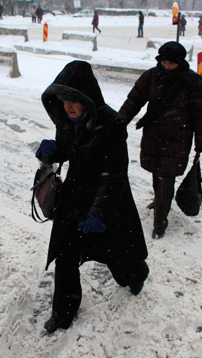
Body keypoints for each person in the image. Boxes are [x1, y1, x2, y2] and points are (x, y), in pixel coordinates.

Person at [35, 61, 150, 333]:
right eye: (62, 100)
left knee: (118, 256)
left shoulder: (111, 124)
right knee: (65, 255)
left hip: (107, 202)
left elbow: (114, 176)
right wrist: (51, 152)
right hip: (74, 199)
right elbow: (68, 150)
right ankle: (63, 313)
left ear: (87, 97)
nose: (67, 106)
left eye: (73, 100)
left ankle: (136, 274)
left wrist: (100, 214)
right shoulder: (66, 121)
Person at [118, 42, 202, 239]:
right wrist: (119, 122)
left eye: (171, 63)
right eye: (164, 62)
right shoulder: (152, 76)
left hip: (178, 139)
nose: (166, 67)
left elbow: (201, 116)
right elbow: (134, 101)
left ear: (180, 62)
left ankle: (160, 221)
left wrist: (201, 142)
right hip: (153, 136)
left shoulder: (191, 82)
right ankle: (160, 200)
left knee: (166, 177)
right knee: (156, 171)